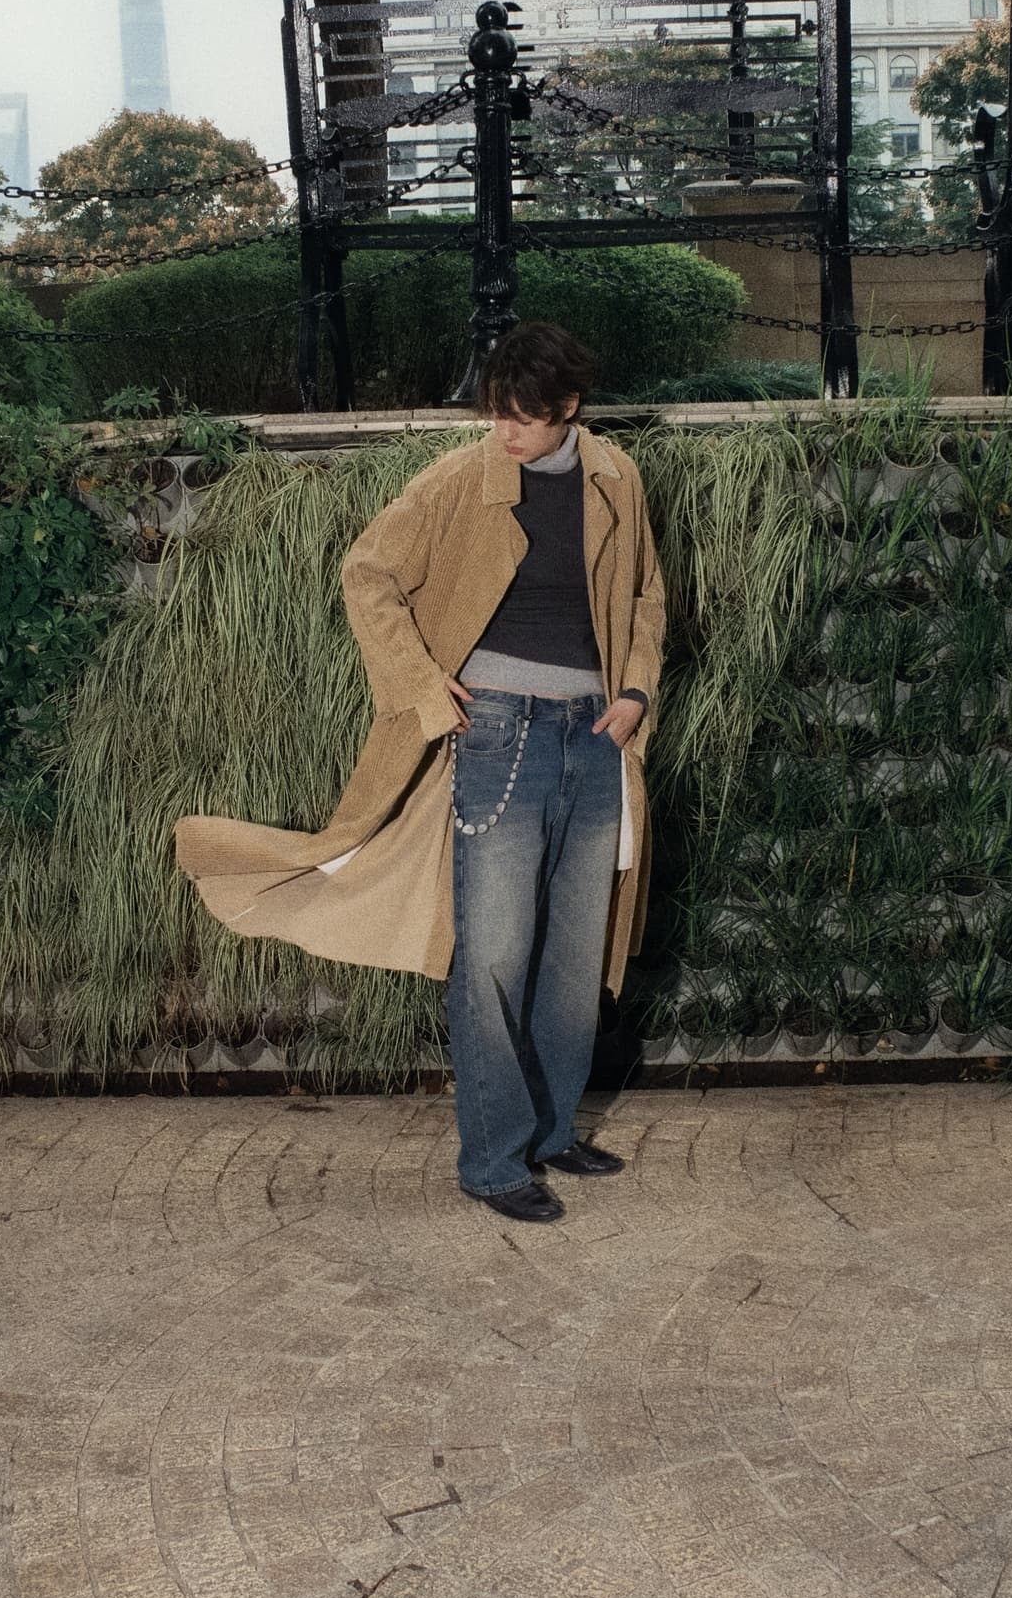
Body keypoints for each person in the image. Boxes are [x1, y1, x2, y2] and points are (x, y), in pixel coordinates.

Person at [176, 322, 666, 1226]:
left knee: (572, 958)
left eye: (523, 418)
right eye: (495, 414)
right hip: (499, 738)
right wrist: (417, 684)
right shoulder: (456, 481)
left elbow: (644, 594)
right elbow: (367, 572)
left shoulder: (615, 477)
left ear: (569, 410)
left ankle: (554, 1132)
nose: (504, 433)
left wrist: (635, 691)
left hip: (596, 739)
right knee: (491, 955)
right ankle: (491, 1161)